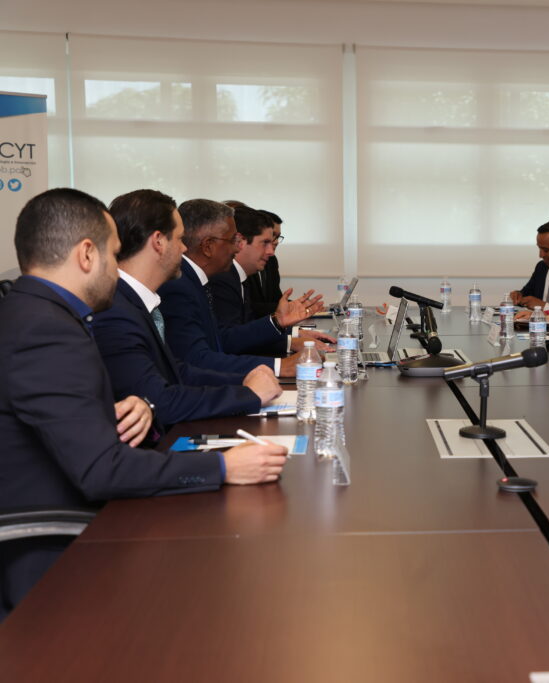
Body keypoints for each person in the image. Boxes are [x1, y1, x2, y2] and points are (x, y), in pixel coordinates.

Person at [0, 188, 287, 621]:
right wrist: (226, 467)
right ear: (85, 255)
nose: (119, 270)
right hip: (56, 546)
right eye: (114, 255)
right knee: (229, 585)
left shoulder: (35, 314)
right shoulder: (47, 331)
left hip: (78, 512)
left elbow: (64, 428)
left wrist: (140, 408)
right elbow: (100, 470)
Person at [92, 189, 284, 430]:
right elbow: (160, 400)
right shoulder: (115, 311)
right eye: (180, 239)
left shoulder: (134, 300)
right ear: (159, 241)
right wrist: (248, 394)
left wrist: (245, 380)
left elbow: (175, 370)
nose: (184, 249)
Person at [156, 200, 320, 376]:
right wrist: (279, 366)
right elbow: (198, 359)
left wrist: (279, 325)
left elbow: (221, 341)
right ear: (208, 246)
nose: (237, 247)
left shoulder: (197, 279)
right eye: (233, 239)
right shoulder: (179, 286)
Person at [208, 206, 333, 357]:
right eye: (265, 243)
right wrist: (282, 360)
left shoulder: (239, 276)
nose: (271, 251)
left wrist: (291, 336)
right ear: (240, 242)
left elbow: (247, 329)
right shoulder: (223, 278)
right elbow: (227, 342)